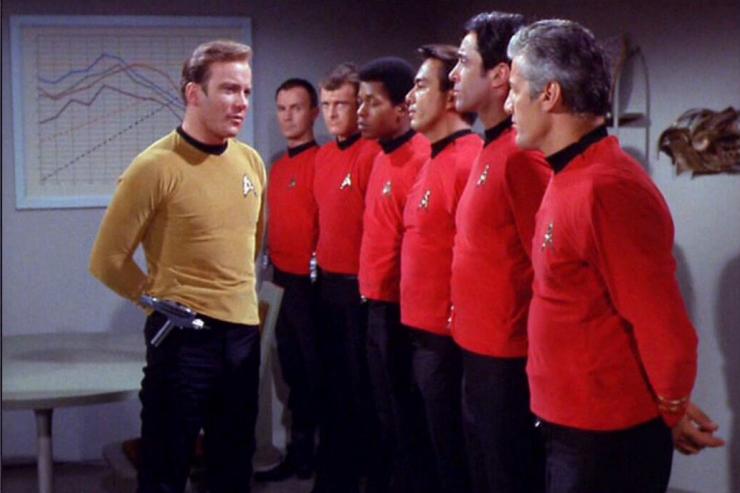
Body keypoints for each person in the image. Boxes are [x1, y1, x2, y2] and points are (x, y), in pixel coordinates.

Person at [506, 19, 703, 492]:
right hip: (573, 427)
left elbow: (662, 324)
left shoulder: (607, 187)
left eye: (514, 89)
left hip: (603, 440)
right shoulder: (570, 176)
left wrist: (673, 406)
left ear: (549, 95)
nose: (508, 104)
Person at [89, 40, 264, 493]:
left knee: (233, 469)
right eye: (229, 90)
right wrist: (160, 302)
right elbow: (107, 260)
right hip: (184, 342)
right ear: (193, 93)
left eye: (246, 91)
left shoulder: (250, 162)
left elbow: (249, 247)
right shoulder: (154, 166)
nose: (241, 102)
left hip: (242, 337)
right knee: (165, 471)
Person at [448, 12, 550, 493]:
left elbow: (547, 265)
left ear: (499, 75)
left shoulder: (522, 155)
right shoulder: (489, 149)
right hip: (477, 350)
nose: (453, 74)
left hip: (507, 361)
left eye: (464, 62)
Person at [402, 44, 484, 493]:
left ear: (451, 95)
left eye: (419, 86)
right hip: (422, 335)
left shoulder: (468, 160)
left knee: (456, 461)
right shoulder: (432, 157)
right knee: (431, 456)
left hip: (449, 343)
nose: (409, 98)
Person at [356, 56, 431, 493]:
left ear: (402, 108)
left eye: (372, 102)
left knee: (407, 419)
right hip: (375, 304)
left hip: (403, 313)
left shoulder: (421, 157)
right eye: (360, 101)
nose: (361, 111)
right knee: (385, 414)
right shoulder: (380, 156)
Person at [311, 62, 380, 493]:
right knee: (329, 387)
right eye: (327, 104)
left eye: (342, 104)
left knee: (360, 391)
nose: (333, 112)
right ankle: (333, 475)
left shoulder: (370, 154)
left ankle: (361, 476)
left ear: (358, 107)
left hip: (359, 290)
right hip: (326, 286)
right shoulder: (323, 156)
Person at [255, 78, 321, 482]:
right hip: (279, 281)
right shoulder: (277, 166)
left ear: (313, 112)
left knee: (316, 373)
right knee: (291, 371)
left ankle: (318, 456)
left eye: (296, 108)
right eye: (281, 109)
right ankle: (298, 452)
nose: (288, 116)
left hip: (311, 286)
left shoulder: (323, 161)